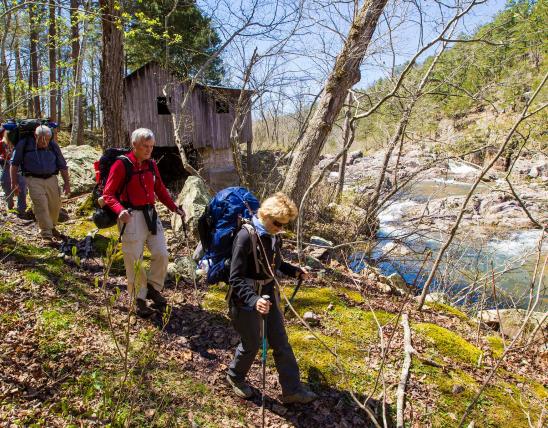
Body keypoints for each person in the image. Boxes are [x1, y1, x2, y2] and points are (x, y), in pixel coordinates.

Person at [226, 192, 318, 404]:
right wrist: (253, 300)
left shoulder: (274, 235)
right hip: (244, 299)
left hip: (269, 294)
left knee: (280, 341)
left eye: (284, 225)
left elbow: (274, 264)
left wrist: (294, 270)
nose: (280, 228)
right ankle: (235, 377)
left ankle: (292, 390)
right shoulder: (245, 237)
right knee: (252, 343)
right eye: (277, 223)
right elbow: (235, 278)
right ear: (265, 215)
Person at [103, 128, 185, 318]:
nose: (149, 150)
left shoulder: (151, 165)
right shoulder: (121, 165)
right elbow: (108, 194)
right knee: (134, 261)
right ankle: (139, 298)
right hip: (130, 216)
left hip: (151, 215)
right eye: (145, 146)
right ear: (134, 146)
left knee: (161, 254)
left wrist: (174, 207)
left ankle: (153, 288)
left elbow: (160, 189)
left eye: (151, 146)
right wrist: (119, 210)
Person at [10, 125, 70, 242]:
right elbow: (14, 164)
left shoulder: (53, 145)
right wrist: (14, 182)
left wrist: (67, 184)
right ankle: (46, 234)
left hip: (52, 178)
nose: (45, 142)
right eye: (42, 139)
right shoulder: (25, 143)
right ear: (35, 135)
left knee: (55, 206)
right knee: (41, 205)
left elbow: (62, 165)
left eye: (47, 139)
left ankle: (52, 227)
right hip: (33, 179)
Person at [0, 127, 27, 216]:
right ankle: (10, 204)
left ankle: (21, 209)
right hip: (6, 164)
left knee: (22, 187)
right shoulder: (1, 143)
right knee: (6, 184)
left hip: (19, 166)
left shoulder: (21, 142)